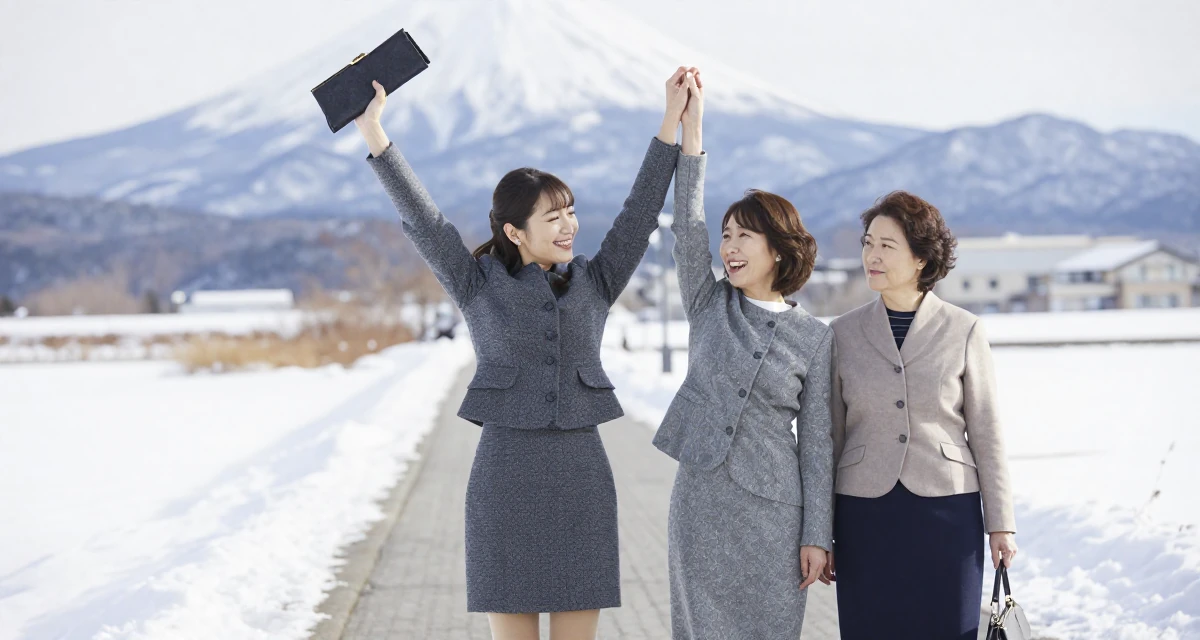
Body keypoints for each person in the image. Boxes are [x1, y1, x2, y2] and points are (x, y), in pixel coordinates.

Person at [354, 68, 692, 640]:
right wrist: (375, 136)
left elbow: (638, 214)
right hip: (503, 479)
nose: (568, 226)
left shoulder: (597, 279)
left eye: (571, 211)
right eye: (552, 216)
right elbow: (425, 219)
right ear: (514, 231)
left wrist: (669, 124)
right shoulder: (476, 283)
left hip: (582, 476)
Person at [651, 69, 834, 639]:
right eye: (726, 235)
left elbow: (819, 445)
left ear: (778, 250)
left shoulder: (815, 337)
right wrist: (693, 129)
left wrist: (816, 535)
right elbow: (686, 226)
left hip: (775, 515)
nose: (728, 247)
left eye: (743, 237)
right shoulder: (708, 303)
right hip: (700, 502)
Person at [820, 191, 1019, 640]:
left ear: (921, 259)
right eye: (868, 243)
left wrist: (1001, 524)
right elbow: (827, 439)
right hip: (864, 515)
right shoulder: (841, 334)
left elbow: (987, 431)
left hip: (948, 512)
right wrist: (818, 529)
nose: (872, 255)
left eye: (886, 246)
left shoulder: (964, 329)